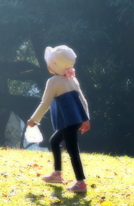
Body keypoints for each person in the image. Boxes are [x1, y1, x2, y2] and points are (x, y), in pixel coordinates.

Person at [27, 45, 91, 193]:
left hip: (68, 121)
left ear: (54, 66)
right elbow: (83, 100)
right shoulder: (71, 79)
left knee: (72, 149)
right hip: (75, 120)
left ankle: (81, 182)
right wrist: (86, 119)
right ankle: (57, 173)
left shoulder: (54, 81)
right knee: (54, 141)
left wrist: (34, 119)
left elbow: (45, 103)